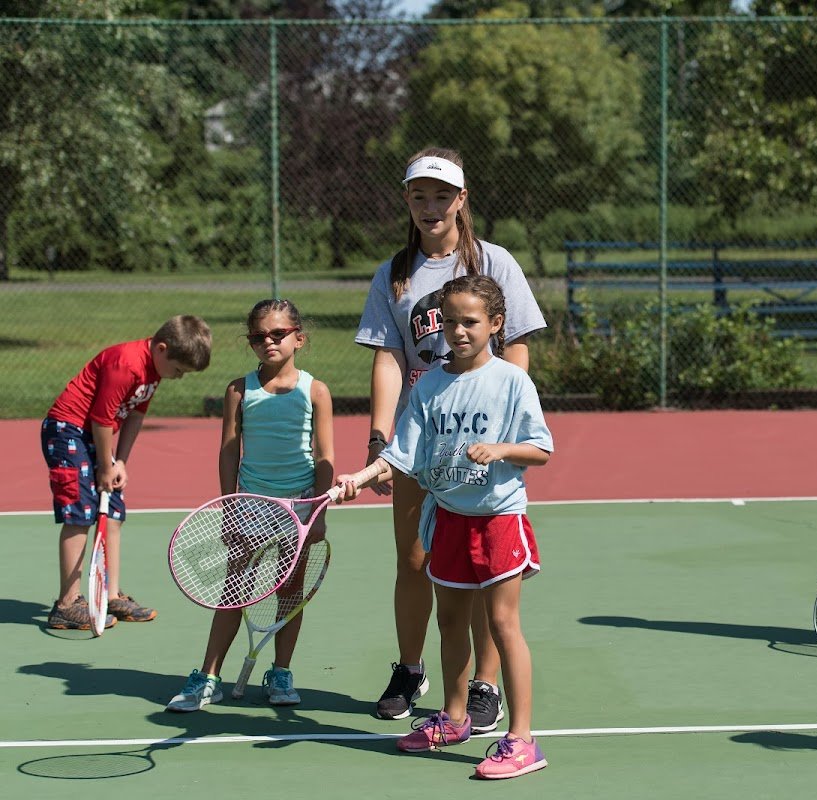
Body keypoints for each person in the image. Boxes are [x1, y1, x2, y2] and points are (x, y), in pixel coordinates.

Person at [354, 147, 546, 729]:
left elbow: (515, 346)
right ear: (407, 200)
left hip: (479, 444)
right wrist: (380, 440)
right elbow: (389, 359)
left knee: (487, 569)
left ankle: (485, 684)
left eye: (442, 195)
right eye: (419, 196)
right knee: (414, 560)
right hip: (421, 438)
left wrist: (501, 426)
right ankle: (411, 670)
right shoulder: (395, 273)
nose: (430, 206)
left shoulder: (494, 261)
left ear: (461, 200)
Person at [338, 274, 552, 779]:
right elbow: (402, 455)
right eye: (450, 321)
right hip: (449, 520)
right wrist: (361, 476)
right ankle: (453, 719)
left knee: (502, 625)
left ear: (495, 325)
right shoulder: (431, 384)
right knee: (450, 623)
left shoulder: (511, 381)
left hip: (498, 518)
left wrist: (501, 450)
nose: (458, 331)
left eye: (471, 322)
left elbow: (541, 449)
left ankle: (521, 739)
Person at [166, 299, 334, 712]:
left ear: (299, 337)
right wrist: (230, 505)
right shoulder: (239, 391)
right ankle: (208, 677)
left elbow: (324, 456)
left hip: (299, 508)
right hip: (250, 505)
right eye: (258, 336)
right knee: (232, 592)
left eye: (278, 334)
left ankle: (280, 673)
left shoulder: (316, 391)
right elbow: (228, 451)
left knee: (290, 593)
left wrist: (317, 513)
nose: (268, 342)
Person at [43, 315, 212, 630]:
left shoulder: (152, 371)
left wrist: (120, 462)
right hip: (68, 431)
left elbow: (135, 415)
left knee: (114, 510)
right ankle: (67, 603)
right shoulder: (128, 363)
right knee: (79, 512)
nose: (179, 377)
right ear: (161, 349)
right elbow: (102, 418)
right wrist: (105, 466)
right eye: (179, 370)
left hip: (95, 436)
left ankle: (110, 593)